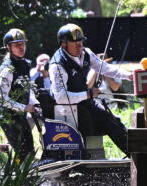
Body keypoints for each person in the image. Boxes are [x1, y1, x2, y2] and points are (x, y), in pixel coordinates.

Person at [48, 23, 132, 156]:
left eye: (80, 42)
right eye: (74, 43)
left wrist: (128, 75)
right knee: (106, 119)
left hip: (85, 103)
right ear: (63, 44)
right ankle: (134, 156)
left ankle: (135, 156)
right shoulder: (57, 65)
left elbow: (105, 68)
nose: (79, 46)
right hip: (67, 109)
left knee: (114, 120)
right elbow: (60, 97)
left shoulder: (86, 53)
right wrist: (87, 94)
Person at [0, 28, 38, 160]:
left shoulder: (25, 64)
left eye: (23, 44)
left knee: (30, 150)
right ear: (8, 48)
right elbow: (1, 99)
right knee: (23, 154)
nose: (21, 47)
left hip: (21, 115)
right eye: (17, 45)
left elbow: (27, 88)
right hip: (8, 117)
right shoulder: (8, 69)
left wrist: (34, 104)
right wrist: (24, 107)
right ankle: (19, 180)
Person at [31, 53, 55, 119]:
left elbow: (49, 92)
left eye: (46, 62)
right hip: (34, 100)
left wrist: (46, 77)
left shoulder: (52, 73)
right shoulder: (33, 71)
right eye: (41, 62)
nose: (43, 64)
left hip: (49, 102)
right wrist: (37, 71)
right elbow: (29, 84)